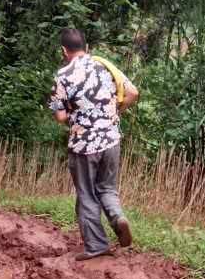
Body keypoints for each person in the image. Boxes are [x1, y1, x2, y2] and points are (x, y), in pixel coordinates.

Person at [48, 28, 138, 261]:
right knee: (106, 188)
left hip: (83, 145)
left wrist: (77, 114)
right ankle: (118, 217)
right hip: (111, 139)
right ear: (86, 48)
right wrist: (112, 112)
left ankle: (96, 245)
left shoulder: (62, 76)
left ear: (64, 51)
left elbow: (59, 116)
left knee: (86, 194)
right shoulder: (103, 65)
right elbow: (132, 92)